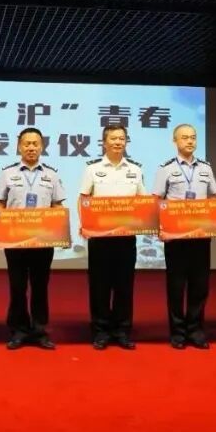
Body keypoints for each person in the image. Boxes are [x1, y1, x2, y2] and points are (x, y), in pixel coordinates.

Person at [0, 128, 66, 350]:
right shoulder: (7, 174)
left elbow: (57, 206)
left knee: (40, 286)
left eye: (35, 144)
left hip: (43, 242)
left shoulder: (51, 175)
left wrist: (60, 232)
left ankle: (39, 330)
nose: (31, 148)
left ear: (42, 146)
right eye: (27, 144)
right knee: (17, 287)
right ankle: (18, 330)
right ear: (19, 146)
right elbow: (0, 205)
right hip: (15, 241)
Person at [153, 124, 216, 350]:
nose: (190, 141)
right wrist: (160, 227)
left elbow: (213, 198)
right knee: (176, 285)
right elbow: (157, 201)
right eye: (184, 138)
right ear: (175, 141)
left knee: (200, 285)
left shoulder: (206, 168)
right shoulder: (166, 168)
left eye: (193, 137)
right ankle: (177, 332)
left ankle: (196, 329)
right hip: (176, 236)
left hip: (200, 235)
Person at [79, 125, 146, 350]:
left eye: (122, 138)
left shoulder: (135, 169)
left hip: (126, 237)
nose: (118, 142)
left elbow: (143, 200)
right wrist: (85, 224)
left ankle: (122, 330)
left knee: (124, 285)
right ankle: (100, 330)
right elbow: (84, 199)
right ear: (104, 142)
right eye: (113, 138)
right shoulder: (93, 169)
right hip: (100, 238)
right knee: (99, 284)